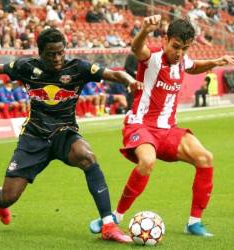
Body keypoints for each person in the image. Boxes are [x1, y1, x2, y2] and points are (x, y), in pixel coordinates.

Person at [0, 28, 143, 243]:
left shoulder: (78, 68)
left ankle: (108, 224)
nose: (57, 58)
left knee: (87, 156)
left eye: (60, 52)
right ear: (40, 53)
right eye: (51, 54)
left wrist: (129, 81)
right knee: (9, 197)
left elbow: (115, 74)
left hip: (64, 133)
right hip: (33, 137)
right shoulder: (27, 67)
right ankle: (0, 201)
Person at [89, 15, 234, 237]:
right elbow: (137, 48)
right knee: (147, 160)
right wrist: (145, 30)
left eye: (185, 48)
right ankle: (114, 218)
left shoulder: (183, 60)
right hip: (141, 125)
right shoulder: (152, 57)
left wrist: (214, 62)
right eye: (176, 47)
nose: (179, 53)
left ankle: (194, 223)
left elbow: (193, 66)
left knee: (206, 158)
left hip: (168, 129)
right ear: (165, 40)